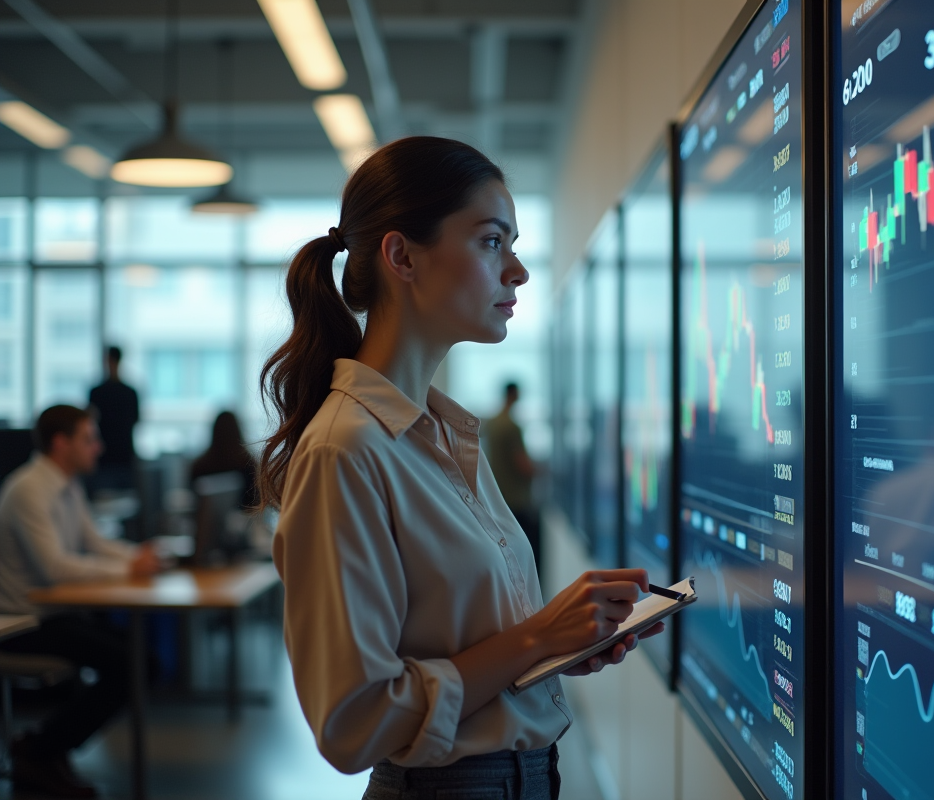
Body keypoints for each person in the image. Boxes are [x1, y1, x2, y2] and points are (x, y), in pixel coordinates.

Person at [261, 136, 660, 799]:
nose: (519, 271)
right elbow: (352, 723)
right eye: (491, 242)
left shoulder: (446, 433)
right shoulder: (346, 450)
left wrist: (556, 647)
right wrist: (534, 638)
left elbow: (463, 645)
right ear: (402, 256)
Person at [0, 405, 161, 799]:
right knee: (133, 664)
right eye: (89, 438)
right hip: (22, 623)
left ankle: (44, 748)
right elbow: (55, 568)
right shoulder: (28, 490)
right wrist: (129, 571)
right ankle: (40, 750)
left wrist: (136, 557)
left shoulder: (67, 484)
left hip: (53, 615)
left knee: (146, 661)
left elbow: (93, 544)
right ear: (61, 443)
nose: (99, 447)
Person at [483, 382, 542, 571]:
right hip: (517, 501)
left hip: (499, 498)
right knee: (527, 561)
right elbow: (523, 466)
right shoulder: (511, 426)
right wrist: (544, 470)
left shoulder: (493, 423)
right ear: (513, 395)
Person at [88, 345, 139, 493]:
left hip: (110, 458)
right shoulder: (130, 393)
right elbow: (136, 420)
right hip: (118, 457)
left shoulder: (97, 393)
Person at [190, 410, 258, 510]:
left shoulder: (200, 466)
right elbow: (255, 501)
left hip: (208, 524)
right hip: (244, 522)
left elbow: (194, 503)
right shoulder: (248, 463)